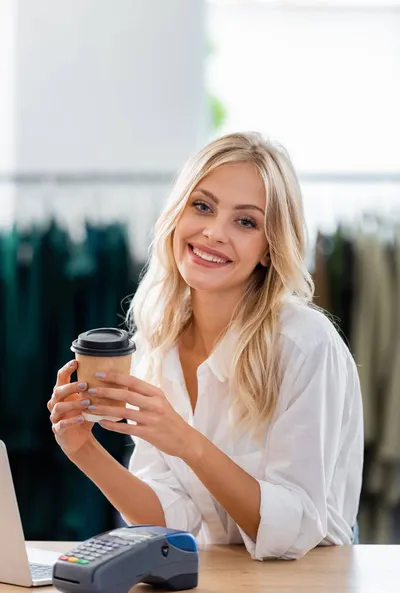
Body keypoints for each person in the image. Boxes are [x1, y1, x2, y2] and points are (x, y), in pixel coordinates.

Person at [47, 132, 363, 561]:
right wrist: (83, 449)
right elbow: (170, 521)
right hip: (216, 580)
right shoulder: (156, 346)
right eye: (203, 206)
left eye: (245, 221)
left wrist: (186, 441)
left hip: (304, 583)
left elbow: (295, 530)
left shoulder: (305, 344)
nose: (213, 233)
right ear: (178, 214)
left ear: (269, 249)